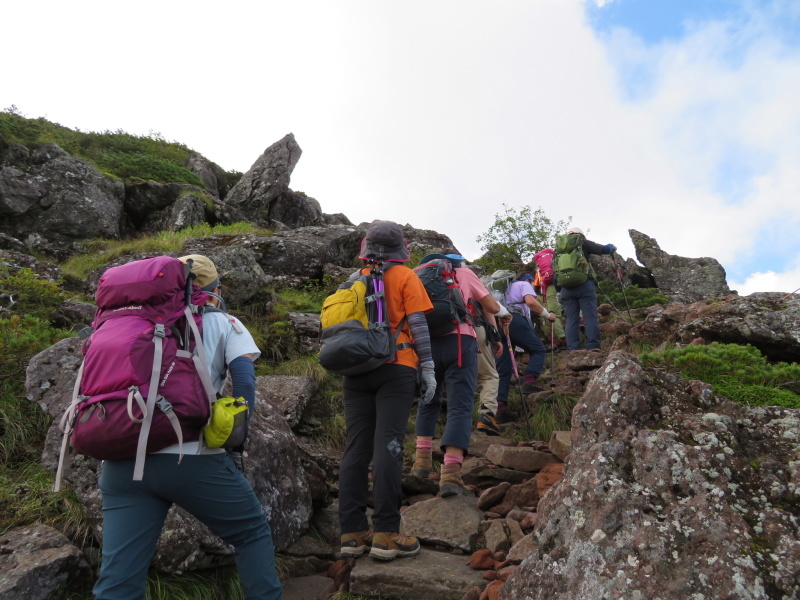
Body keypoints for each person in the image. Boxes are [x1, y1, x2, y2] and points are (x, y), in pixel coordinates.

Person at [93, 254, 282, 600]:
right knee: (251, 532)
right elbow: (245, 380)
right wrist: (237, 437)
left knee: (119, 576)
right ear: (212, 291)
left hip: (121, 460)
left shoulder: (122, 324)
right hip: (189, 456)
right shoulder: (225, 322)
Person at [338, 221, 436, 562]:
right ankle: (386, 533)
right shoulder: (406, 276)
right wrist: (428, 368)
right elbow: (419, 325)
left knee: (356, 449)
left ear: (367, 248)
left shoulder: (354, 279)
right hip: (397, 367)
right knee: (389, 447)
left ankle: (351, 532)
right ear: (400, 249)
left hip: (356, 370)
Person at [412, 253, 503, 496]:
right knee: (460, 405)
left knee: (428, 399)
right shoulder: (463, 273)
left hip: (426, 342)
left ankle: (421, 463)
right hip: (460, 341)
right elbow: (493, 307)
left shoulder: (415, 275)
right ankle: (451, 474)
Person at [495, 272, 557, 416]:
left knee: (504, 368)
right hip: (514, 319)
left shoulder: (504, 291)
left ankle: (500, 408)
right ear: (528, 280)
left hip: (497, 323)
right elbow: (530, 302)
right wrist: (548, 315)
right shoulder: (524, 284)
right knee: (538, 349)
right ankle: (529, 381)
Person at [558, 227, 616, 351]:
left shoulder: (559, 249)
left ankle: (573, 350)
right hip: (584, 285)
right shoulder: (582, 242)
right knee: (590, 317)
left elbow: (555, 271)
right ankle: (593, 347)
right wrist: (612, 246)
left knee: (571, 320)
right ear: (580, 235)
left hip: (566, 289)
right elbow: (605, 249)